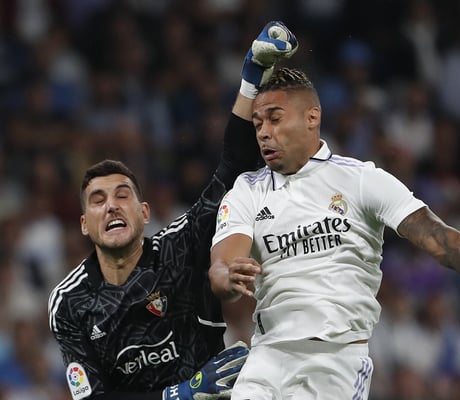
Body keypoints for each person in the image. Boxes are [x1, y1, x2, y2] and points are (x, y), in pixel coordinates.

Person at [208, 67, 460, 400]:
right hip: (267, 357)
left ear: (312, 117)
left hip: (336, 361)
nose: (264, 133)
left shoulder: (361, 180)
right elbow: (222, 267)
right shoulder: (247, 191)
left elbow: (442, 241)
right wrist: (228, 278)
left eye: (275, 119)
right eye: (258, 123)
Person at [47, 21, 298, 400]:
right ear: (84, 224)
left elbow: (232, 170)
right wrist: (180, 394)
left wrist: (252, 78)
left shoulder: (181, 246)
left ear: (145, 213)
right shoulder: (70, 302)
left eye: (122, 195)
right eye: (98, 200)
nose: (111, 205)